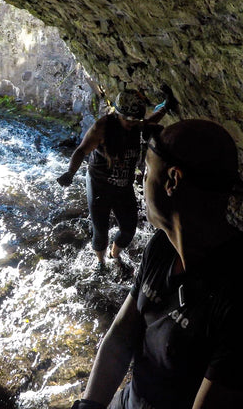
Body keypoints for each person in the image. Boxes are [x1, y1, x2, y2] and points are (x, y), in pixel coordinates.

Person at [71, 119, 243, 409]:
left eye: (148, 169)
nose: (141, 179)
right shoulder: (162, 246)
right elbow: (123, 335)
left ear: (172, 180)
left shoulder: (235, 293)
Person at [57, 87, 176, 271]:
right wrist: (70, 173)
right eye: (127, 119)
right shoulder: (102, 127)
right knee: (101, 231)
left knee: (129, 230)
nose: (131, 123)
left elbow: (150, 122)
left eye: (135, 120)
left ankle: (114, 255)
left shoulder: (136, 125)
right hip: (99, 186)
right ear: (118, 113)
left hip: (123, 187)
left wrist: (166, 107)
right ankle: (100, 263)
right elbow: (81, 151)